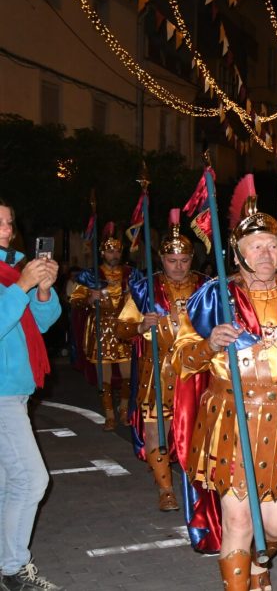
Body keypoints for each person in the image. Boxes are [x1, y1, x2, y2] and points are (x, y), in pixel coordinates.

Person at [169, 181, 277, 590]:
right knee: (238, 520)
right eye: (256, 246)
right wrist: (209, 344)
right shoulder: (214, 297)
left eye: (272, 245)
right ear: (237, 253)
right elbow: (180, 358)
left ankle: (257, 564)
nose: (266, 253)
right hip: (232, 421)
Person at [0, 199, 63, 591]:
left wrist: (42, 292)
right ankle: (14, 568)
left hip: (15, 392)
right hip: (1, 395)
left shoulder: (10, 269)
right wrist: (22, 285)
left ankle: (7, 563)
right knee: (31, 480)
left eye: (9, 222)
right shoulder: (13, 276)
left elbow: (39, 324)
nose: (7, 230)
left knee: (10, 483)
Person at [127, 213, 207, 513]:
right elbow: (122, 326)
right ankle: (166, 489)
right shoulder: (145, 287)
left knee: (199, 430)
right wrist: (140, 325)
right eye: (172, 260)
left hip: (197, 369)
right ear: (162, 259)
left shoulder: (206, 286)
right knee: (156, 429)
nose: (178, 266)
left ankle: (198, 485)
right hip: (157, 370)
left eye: (184, 260)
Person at [69, 223, 142, 431]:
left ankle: (124, 408)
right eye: (110, 251)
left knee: (128, 374)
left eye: (117, 251)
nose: (114, 255)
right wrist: (89, 298)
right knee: (105, 376)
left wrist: (133, 295)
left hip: (123, 327)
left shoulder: (131, 274)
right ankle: (109, 415)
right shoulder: (91, 275)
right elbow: (75, 300)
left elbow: (143, 297)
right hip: (100, 328)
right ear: (102, 253)